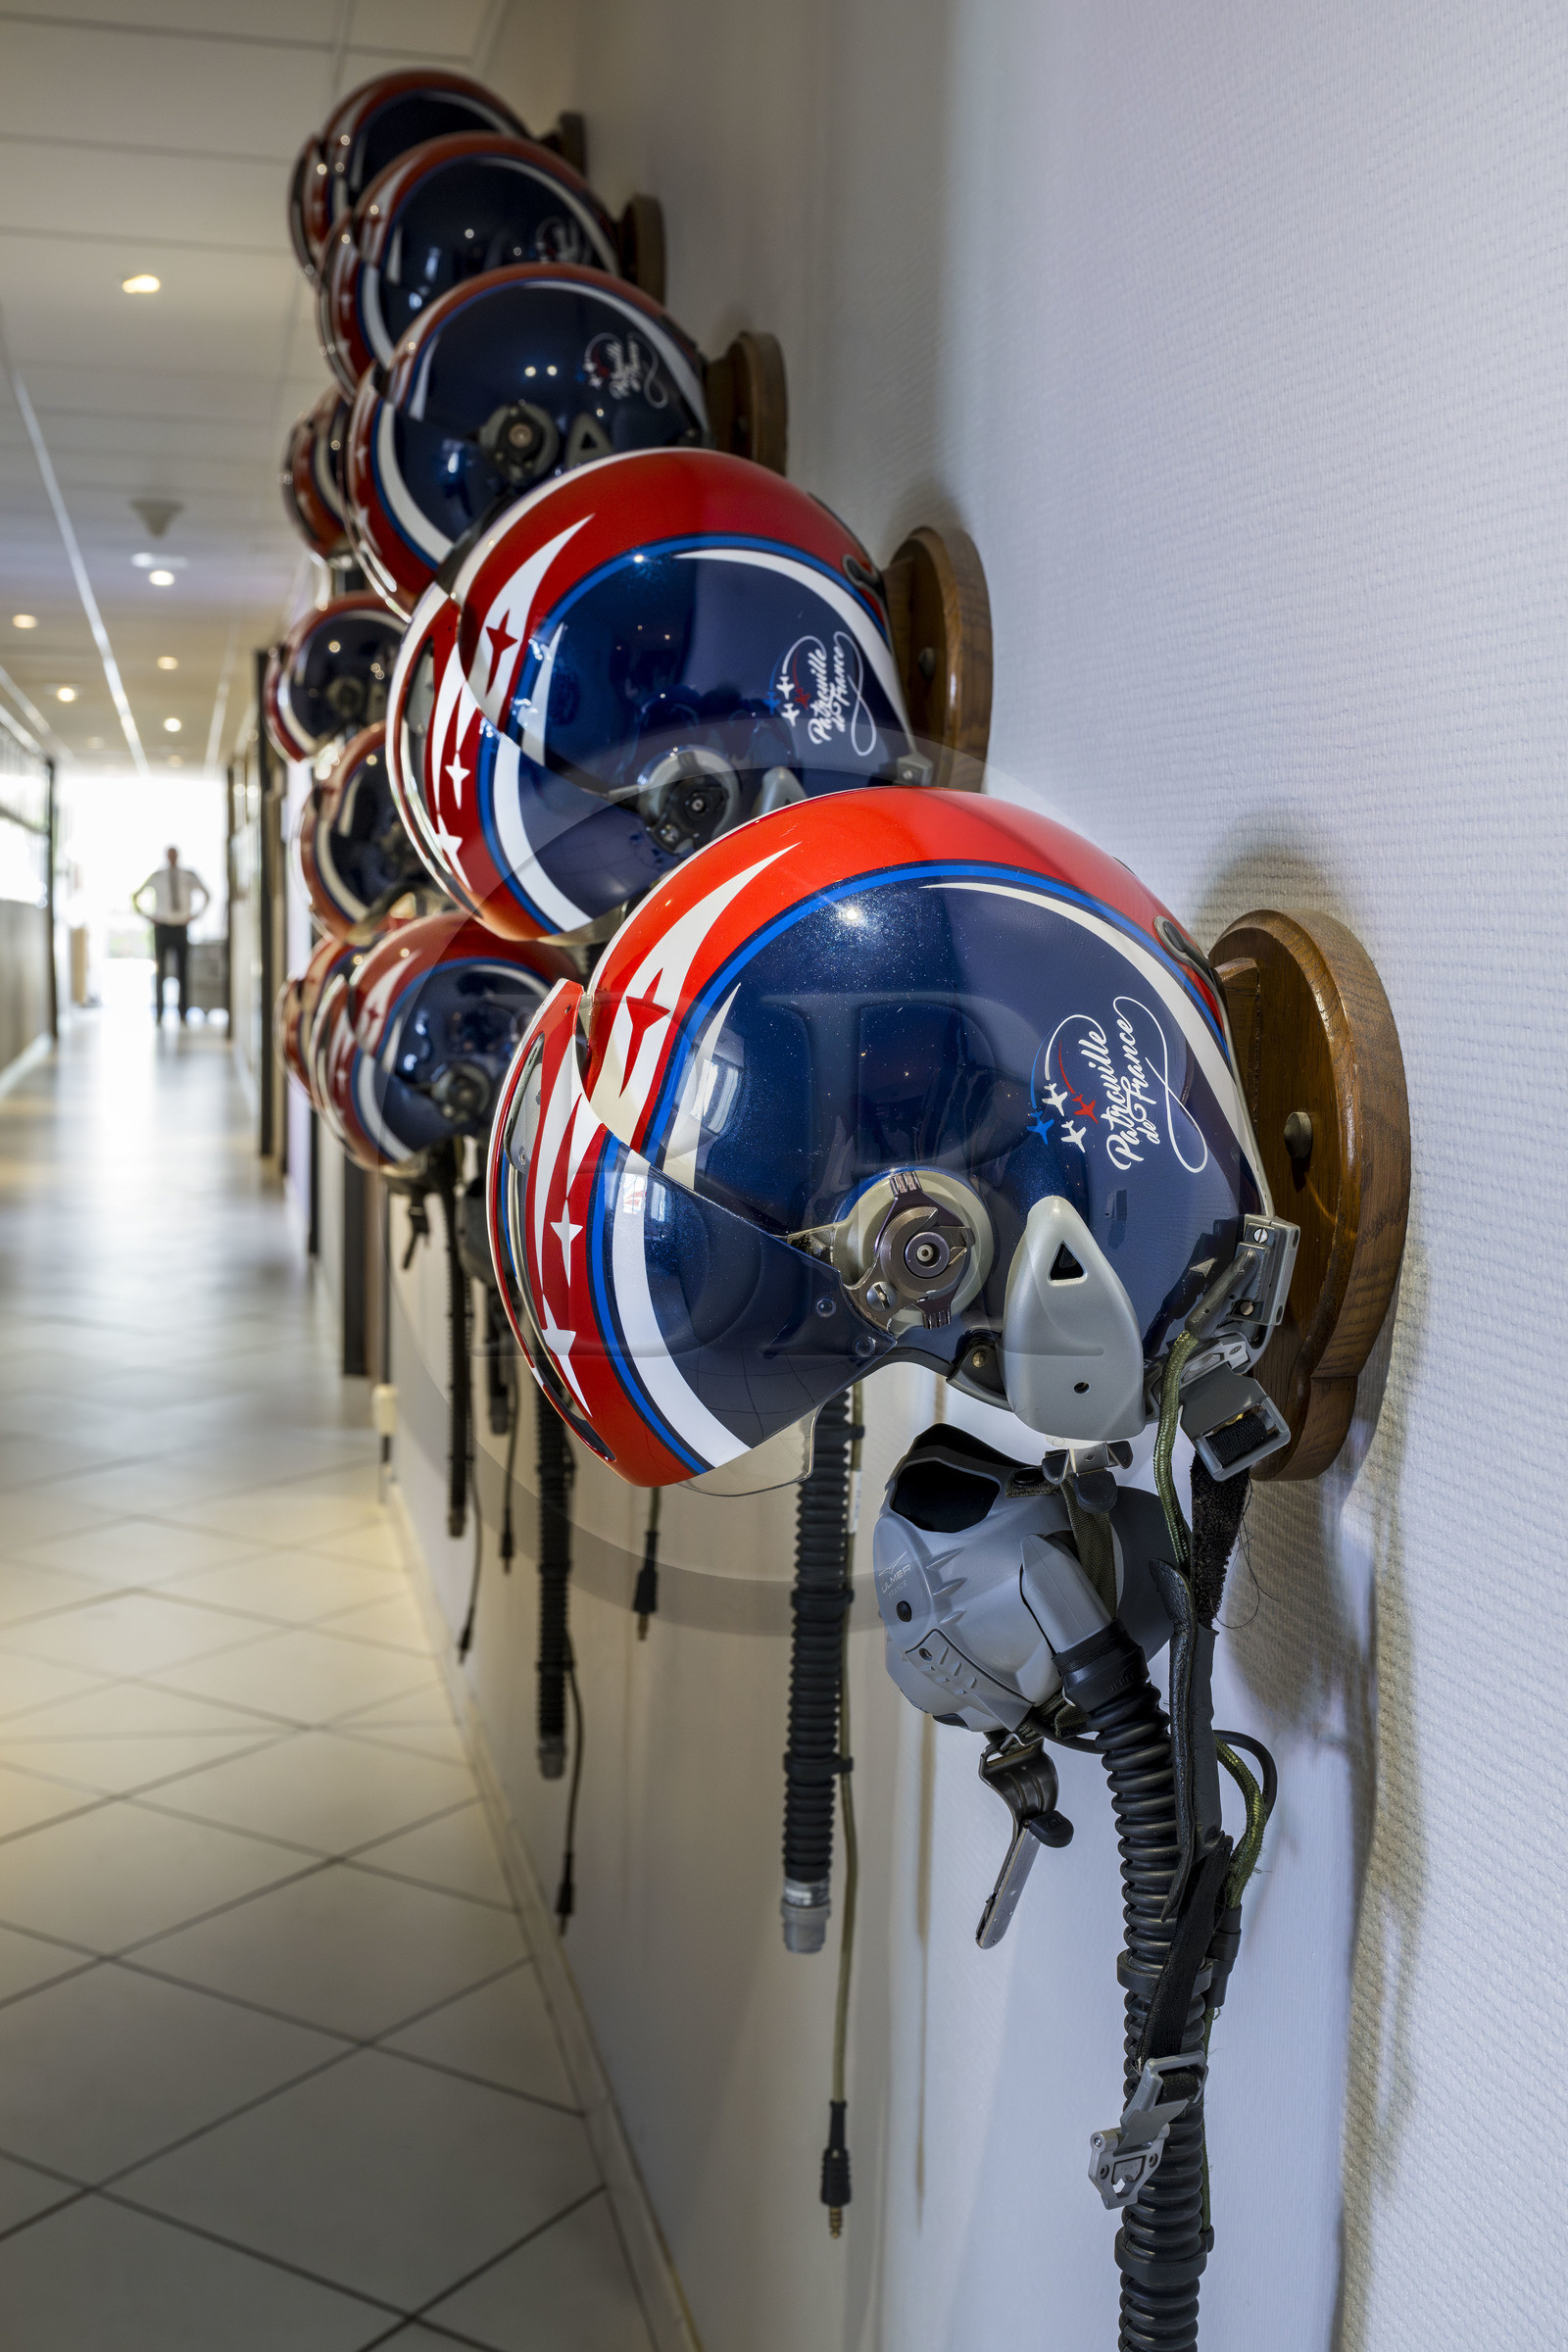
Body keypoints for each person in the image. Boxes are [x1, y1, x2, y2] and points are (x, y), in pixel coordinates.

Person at [132, 846, 210, 1024]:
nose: (172, 858)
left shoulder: (188, 875)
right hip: (163, 927)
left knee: (183, 971)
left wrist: (195, 915)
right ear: (166, 857)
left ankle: (183, 1013)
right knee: (160, 972)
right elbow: (136, 897)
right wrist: (148, 917)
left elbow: (207, 894)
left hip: (181, 926)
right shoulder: (158, 876)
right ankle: (159, 1012)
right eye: (170, 855)